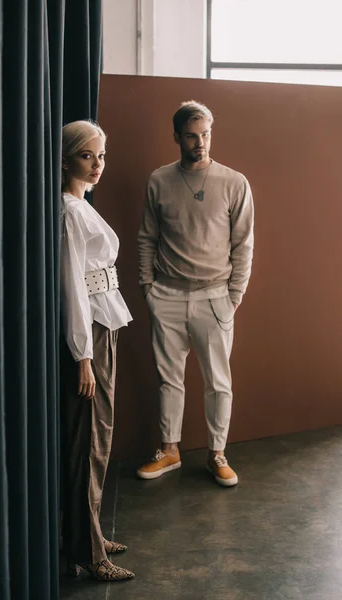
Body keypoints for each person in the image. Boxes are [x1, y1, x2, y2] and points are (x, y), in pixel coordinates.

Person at [137, 100, 254, 487]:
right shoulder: (159, 181)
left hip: (215, 296)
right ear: (177, 137)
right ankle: (169, 450)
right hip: (166, 295)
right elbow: (147, 238)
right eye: (192, 135)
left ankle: (217, 453)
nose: (200, 142)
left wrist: (233, 296)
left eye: (205, 134)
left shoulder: (234, 182)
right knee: (169, 379)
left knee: (219, 382)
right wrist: (147, 288)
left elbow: (244, 244)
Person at [60, 120, 135, 581]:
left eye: (102, 156)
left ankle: (89, 532)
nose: (98, 164)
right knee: (89, 442)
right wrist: (83, 354)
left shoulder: (82, 205)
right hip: (92, 329)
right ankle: (88, 552)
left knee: (100, 439)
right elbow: (72, 285)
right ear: (67, 158)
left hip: (107, 319)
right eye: (89, 156)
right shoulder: (69, 211)